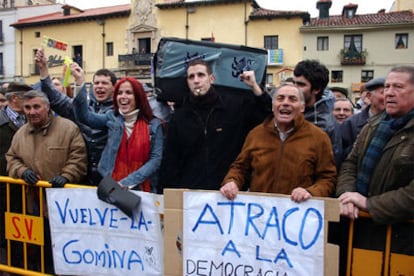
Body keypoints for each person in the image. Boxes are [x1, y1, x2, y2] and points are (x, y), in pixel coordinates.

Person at [337, 65, 414, 264]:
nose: (389, 92)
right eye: (387, 87)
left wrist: (369, 205)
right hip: (360, 231)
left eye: (398, 87)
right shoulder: (372, 125)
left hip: (401, 240)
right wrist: (348, 196)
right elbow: (350, 164)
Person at [6, 90, 87, 273]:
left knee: (62, 252)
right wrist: (22, 171)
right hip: (32, 207)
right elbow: (11, 158)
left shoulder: (68, 128)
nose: (32, 112)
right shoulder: (20, 133)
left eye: (36, 106)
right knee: (36, 253)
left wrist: (67, 176)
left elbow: (78, 158)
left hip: (63, 208)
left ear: (47, 107)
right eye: (27, 107)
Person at [161, 59, 272, 191]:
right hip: (192, 194)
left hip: (229, 190)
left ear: (211, 78)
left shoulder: (233, 107)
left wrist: (255, 87)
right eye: (191, 77)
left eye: (201, 75)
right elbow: (171, 160)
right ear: (188, 82)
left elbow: (265, 119)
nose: (196, 80)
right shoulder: (180, 117)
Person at [220, 84, 336, 201]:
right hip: (260, 212)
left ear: (302, 107)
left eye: (292, 99)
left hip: (298, 212)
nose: (285, 103)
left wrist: (311, 192)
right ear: (273, 105)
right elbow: (240, 168)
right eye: (280, 98)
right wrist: (232, 181)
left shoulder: (318, 137)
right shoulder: (256, 134)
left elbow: (328, 178)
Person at [72, 63, 164, 192]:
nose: (123, 96)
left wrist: (127, 182)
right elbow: (84, 117)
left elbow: (155, 160)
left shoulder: (154, 125)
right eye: (120, 93)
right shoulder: (111, 117)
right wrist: (79, 82)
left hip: (142, 188)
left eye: (128, 93)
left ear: (138, 97)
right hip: (110, 185)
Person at [35, 47, 116, 185]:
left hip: (110, 177)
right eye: (96, 83)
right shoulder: (81, 107)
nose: (99, 86)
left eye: (105, 83)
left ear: (114, 87)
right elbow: (56, 100)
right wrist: (43, 70)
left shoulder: (119, 112)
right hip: (82, 175)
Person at [0, 82, 32, 269]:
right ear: (14, 99)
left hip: (28, 186)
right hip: (4, 187)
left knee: (25, 234)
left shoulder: (32, 120)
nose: (30, 104)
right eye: (26, 99)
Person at [340, 77, 385, 159]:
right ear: (369, 96)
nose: (388, 97)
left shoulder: (396, 122)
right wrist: (357, 147)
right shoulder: (351, 123)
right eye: (383, 93)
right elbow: (340, 154)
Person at [293, 59, 336, 133]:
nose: (294, 88)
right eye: (293, 83)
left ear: (316, 89)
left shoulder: (325, 125)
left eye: (301, 84)